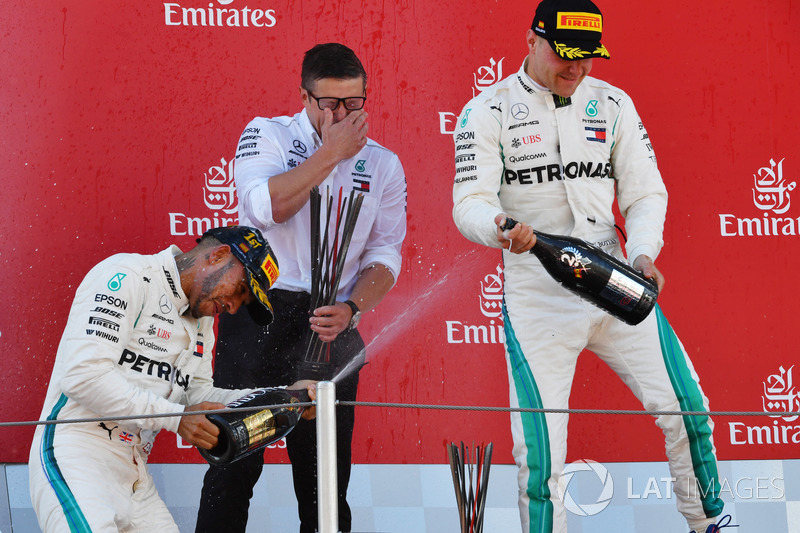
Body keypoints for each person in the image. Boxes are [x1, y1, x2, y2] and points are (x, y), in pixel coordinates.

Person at [452, 1, 733, 532]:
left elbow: (646, 192)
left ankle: (711, 521)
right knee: (540, 453)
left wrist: (644, 251)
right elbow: (467, 200)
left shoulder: (613, 104)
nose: (576, 68)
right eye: (565, 55)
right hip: (537, 290)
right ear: (532, 40)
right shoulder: (486, 110)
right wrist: (500, 225)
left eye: (587, 57)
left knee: (688, 409)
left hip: (615, 278)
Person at [196, 42, 407, 533]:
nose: (341, 114)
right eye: (329, 103)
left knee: (325, 477)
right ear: (305, 97)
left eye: (353, 103)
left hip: (333, 320)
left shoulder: (383, 165)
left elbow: (385, 256)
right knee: (233, 464)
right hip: (260, 314)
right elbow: (263, 208)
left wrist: (353, 307)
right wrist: (332, 154)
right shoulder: (267, 134)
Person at [28, 225, 317, 532]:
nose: (233, 307)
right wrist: (178, 419)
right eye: (240, 290)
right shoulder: (129, 274)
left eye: (243, 302)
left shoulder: (204, 322)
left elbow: (198, 396)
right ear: (218, 255)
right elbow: (83, 376)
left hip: (135, 470)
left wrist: (284, 397)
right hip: (78, 455)